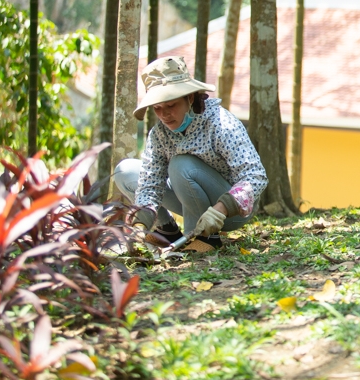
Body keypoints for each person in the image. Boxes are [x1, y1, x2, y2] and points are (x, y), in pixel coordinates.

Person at [114, 56, 267, 252]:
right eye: (158, 108)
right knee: (124, 171)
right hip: (188, 197)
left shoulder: (220, 123)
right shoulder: (159, 134)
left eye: (171, 105)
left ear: (190, 98)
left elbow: (256, 177)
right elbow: (150, 185)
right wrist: (138, 227)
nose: (164, 115)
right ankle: (167, 231)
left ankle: (207, 238)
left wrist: (220, 209)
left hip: (231, 211)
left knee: (180, 164)